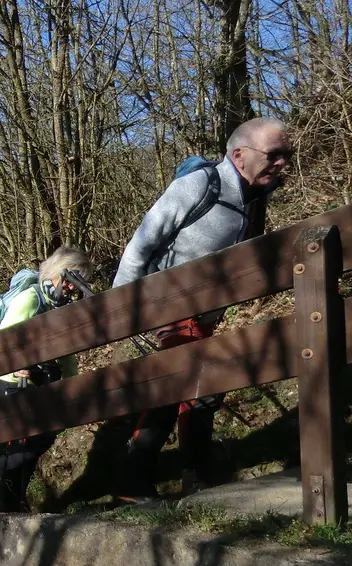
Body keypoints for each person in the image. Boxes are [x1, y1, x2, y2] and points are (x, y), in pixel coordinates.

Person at [111, 118, 292, 497]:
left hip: (207, 313)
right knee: (181, 383)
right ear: (239, 155)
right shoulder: (198, 185)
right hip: (168, 304)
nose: (282, 164)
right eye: (273, 155)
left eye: (286, 155)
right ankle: (133, 480)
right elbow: (141, 244)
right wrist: (119, 309)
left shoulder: (254, 199)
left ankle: (193, 477)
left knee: (203, 389)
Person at [0, 246, 92, 513]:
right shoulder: (31, 298)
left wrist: (72, 382)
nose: (73, 288)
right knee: (25, 437)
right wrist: (16, 365)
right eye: (71, 279)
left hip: (38, 379)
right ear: (58, 273)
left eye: (78, 282)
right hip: (11, 378)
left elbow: (65, 350)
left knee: (40, 435)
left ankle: (10, 493)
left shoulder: (58, 306)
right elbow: (4, 339)